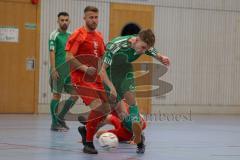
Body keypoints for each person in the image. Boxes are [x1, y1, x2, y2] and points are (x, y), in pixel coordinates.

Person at [100, 29, 170, 146]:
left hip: (125, 72)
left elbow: (151, 51)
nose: (143, 51)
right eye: (142, 48)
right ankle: (136, 131)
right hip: (110, 75)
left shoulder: (142, 45)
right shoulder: (115, 46)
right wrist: (111, 87)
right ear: (136, 40)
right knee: (121, 113)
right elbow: (101, 70)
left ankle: (137, 135)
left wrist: (161, 57)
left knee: (132, 103)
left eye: (145, 49)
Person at [65, 6, 111, 154]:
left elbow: (103, 57)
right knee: (97, 107)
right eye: (91, 17)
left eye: (96, 17)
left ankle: (85, 129)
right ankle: (88, 143)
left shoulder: (99, 36)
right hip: (81, 78)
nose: (94, 20)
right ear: (84, 18)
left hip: (96, 79)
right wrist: (84, 68)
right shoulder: (78, 34)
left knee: (106, 110)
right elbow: (69, 57)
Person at [49, 12, 78, 131]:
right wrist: (53, 69)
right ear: (58, 21)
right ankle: (54, 123)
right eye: (62, 20)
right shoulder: (54, 35)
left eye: (66, 20)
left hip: (69, 72)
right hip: (58, 71)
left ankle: (60, 118)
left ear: (69, 21)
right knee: (57, 95)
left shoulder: (71, 35)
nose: (64, 22)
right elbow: (51, 52)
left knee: (75, 95)